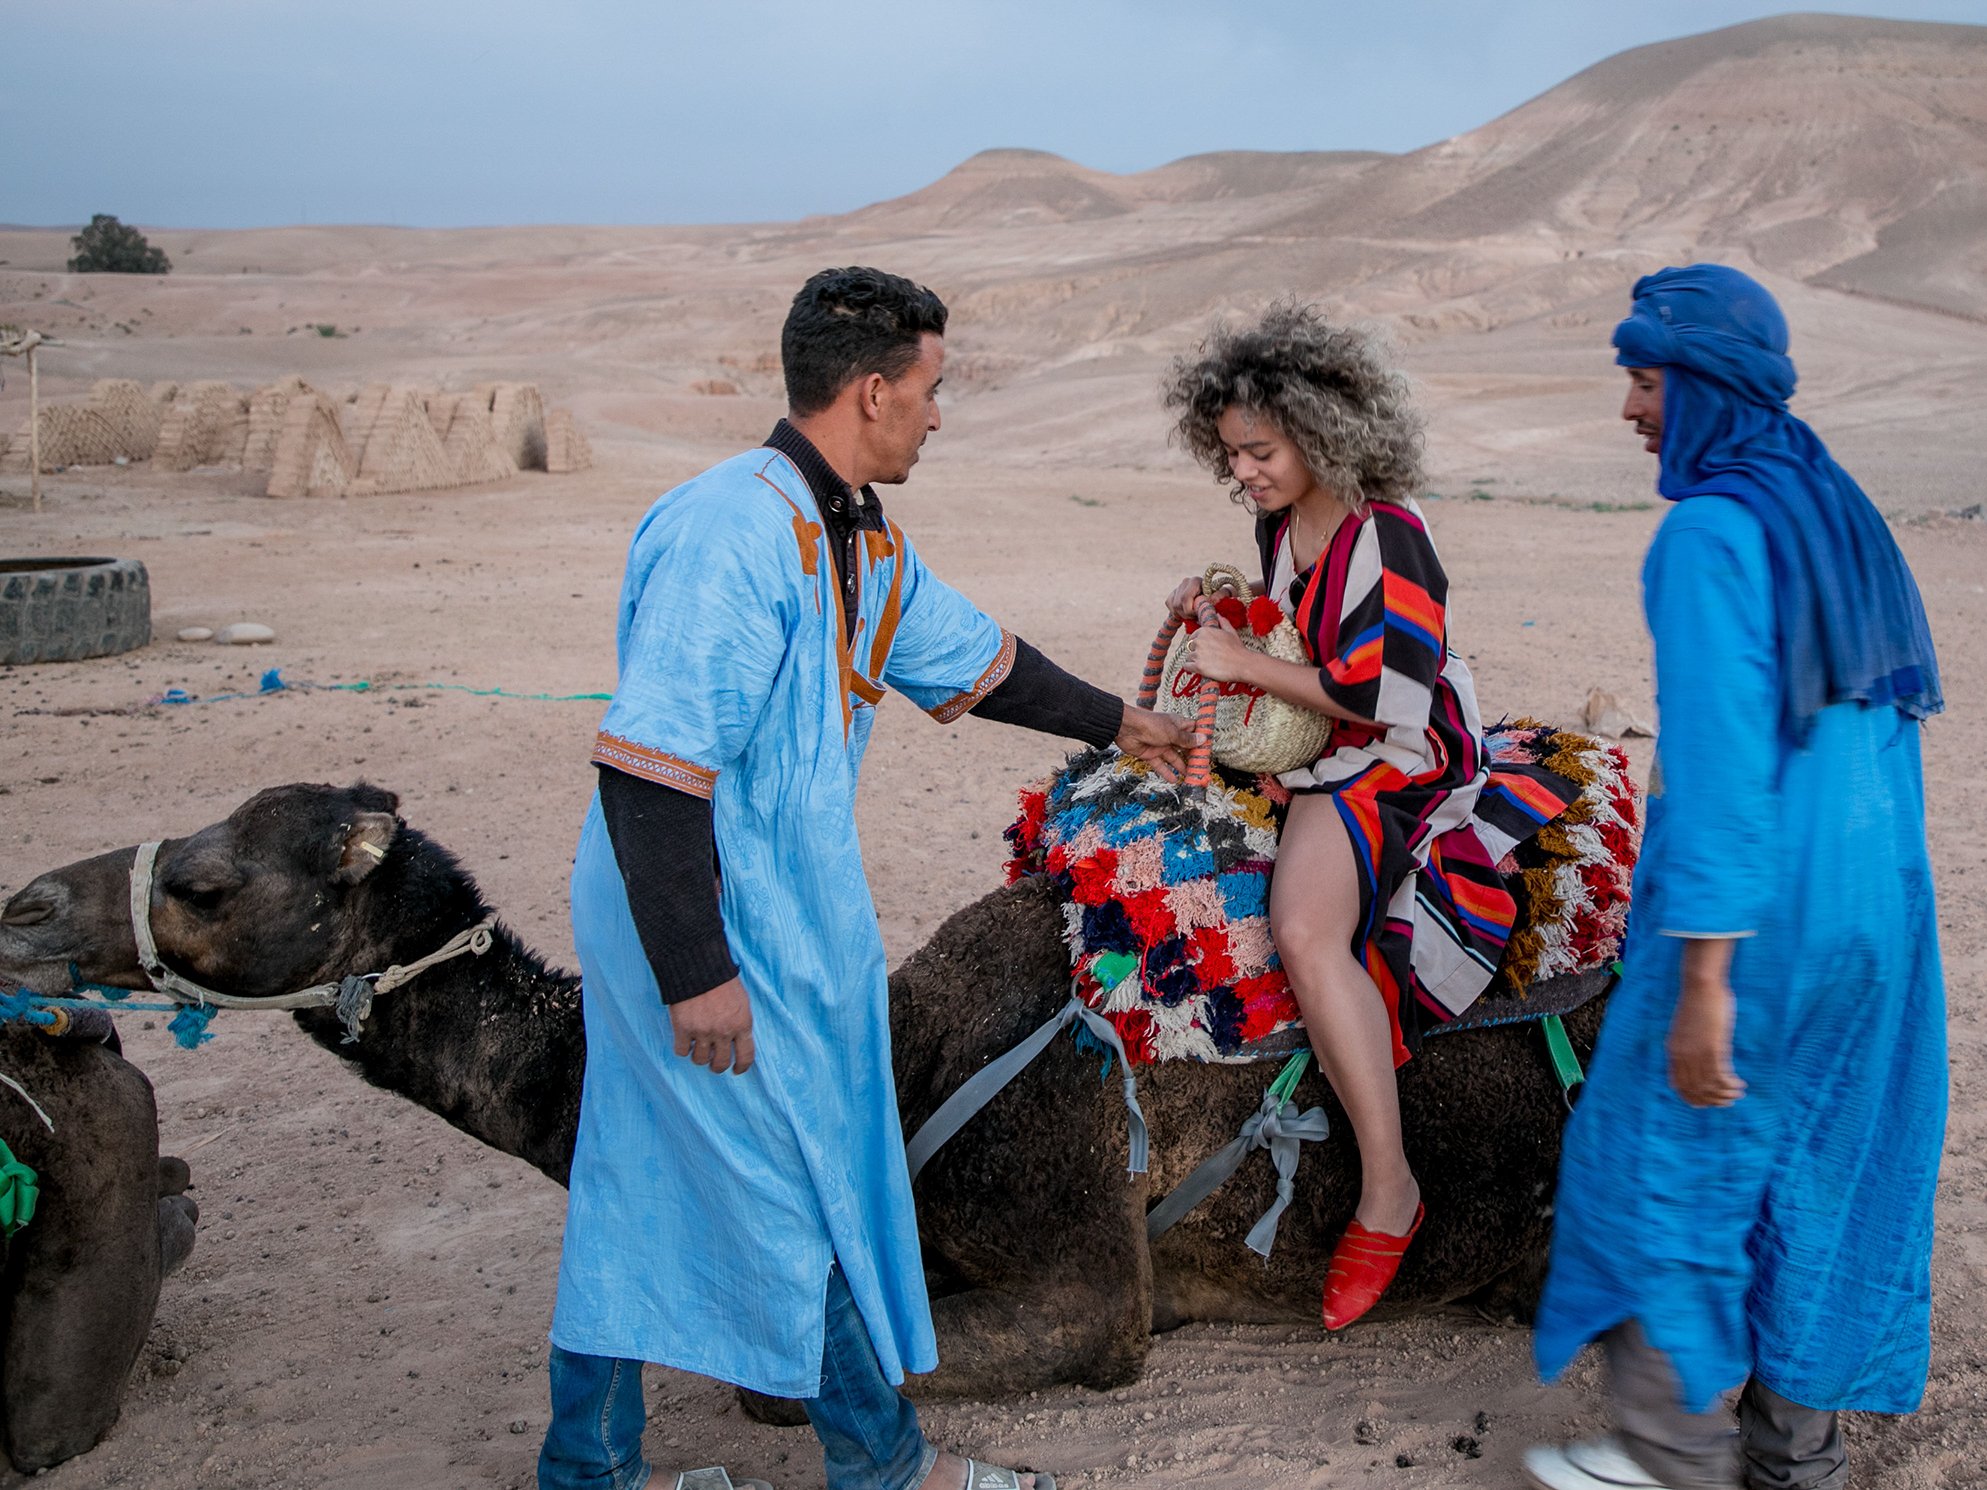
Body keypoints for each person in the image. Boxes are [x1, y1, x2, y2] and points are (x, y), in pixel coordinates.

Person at [542, 265, 1193, 1490]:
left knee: (636, 1190)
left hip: (774, 922)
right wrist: (698, 972)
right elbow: (648, 771)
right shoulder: (730, 531)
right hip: (699, 927)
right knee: (792, 1194)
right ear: (875, 388)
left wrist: (1126, 725)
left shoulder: (849, 531)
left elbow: (980, 661)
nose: (938, 417)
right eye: (933, 391)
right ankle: (888, 1466)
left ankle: (588, 1470)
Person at [1523, 265, 1947, 1490]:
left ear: (1704, 386)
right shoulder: (1835, 505)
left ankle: (1670, 1458)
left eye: (1645, 382)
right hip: (1880, 908)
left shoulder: (1710, 530)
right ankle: (1793, 1459)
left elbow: (1714, 764)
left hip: (1760, 914)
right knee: (1825, 1165)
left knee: (1661, 1155)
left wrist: (1705, 970)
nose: (1629, 411)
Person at [1160, 304, 1577, 1331]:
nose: (1246, 472)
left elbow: (1387, 693)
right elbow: (1301, 632)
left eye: (1260, 450)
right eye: (1232, 455)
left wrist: (1244, 665)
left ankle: (1388, 1185)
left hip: (1393, 756)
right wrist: (1227, 617)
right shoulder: (1277, 524)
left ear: (1320, 428)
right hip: (1323, 739)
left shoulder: (1388, 531)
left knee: (1303, 926)